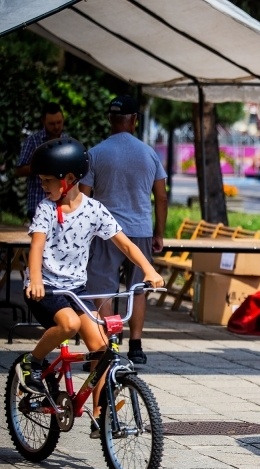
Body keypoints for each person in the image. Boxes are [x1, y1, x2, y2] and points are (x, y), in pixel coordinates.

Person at [18, 137, 164, 437]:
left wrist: (149, 269)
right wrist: (34, 279)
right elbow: (36, 247)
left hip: (77, 290)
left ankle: (100, 417)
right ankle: (31, 362)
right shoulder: (46, 209)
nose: (44, 186)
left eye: (48, 180)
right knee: (69, 324)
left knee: (101, 349)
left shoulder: (94, 210)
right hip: (47, 288)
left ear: (69, 180)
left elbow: (124, 243)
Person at [79, 95, 167, 366]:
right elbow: (161, 196)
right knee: (137, 289)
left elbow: (84, 196)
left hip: (106, 232)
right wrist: (159, 233)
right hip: (140, 230)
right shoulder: (148, 153)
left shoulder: (95, 153)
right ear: (135, 120)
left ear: (110, 119)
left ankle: (108, 342)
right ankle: (136, 345)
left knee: (102, 288)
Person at [15, 102, 68, 221]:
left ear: (63, 119)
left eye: (59, 122)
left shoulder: (68, 142)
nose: (56, 127)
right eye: (52, 123)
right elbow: (19, 170)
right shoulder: (32, 141)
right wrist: (43, 165)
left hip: (63, 204)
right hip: (37, 203)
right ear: (43, 122)